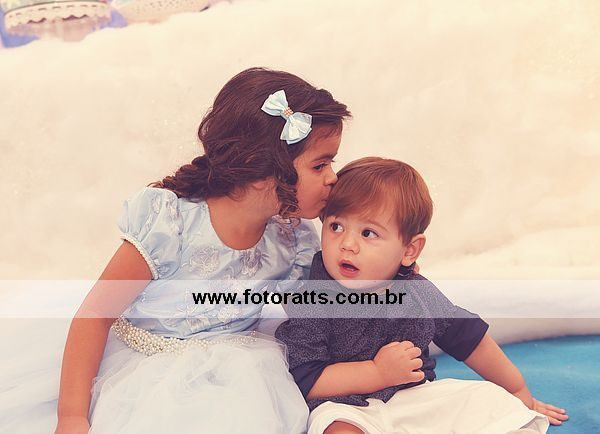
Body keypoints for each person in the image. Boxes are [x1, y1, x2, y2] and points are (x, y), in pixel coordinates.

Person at [1, 67, 351, 434]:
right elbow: (95, 316)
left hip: (240, 376)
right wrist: (72, 416)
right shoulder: (172, 222)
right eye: (320, 164)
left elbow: (320, 317)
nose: (332, 177)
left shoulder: (293, 239)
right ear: (259, 168)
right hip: (146, 372)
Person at [276, 157, 569, 434]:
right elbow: (306, 379)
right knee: (334, 425)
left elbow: (470, 339)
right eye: (336, 226)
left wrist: (517, 390)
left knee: (486, 399)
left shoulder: (417, 293)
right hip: (346, 404)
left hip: (415, 397)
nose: (347, 244)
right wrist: (377, 372)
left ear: (409, 250)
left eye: (368, 233)